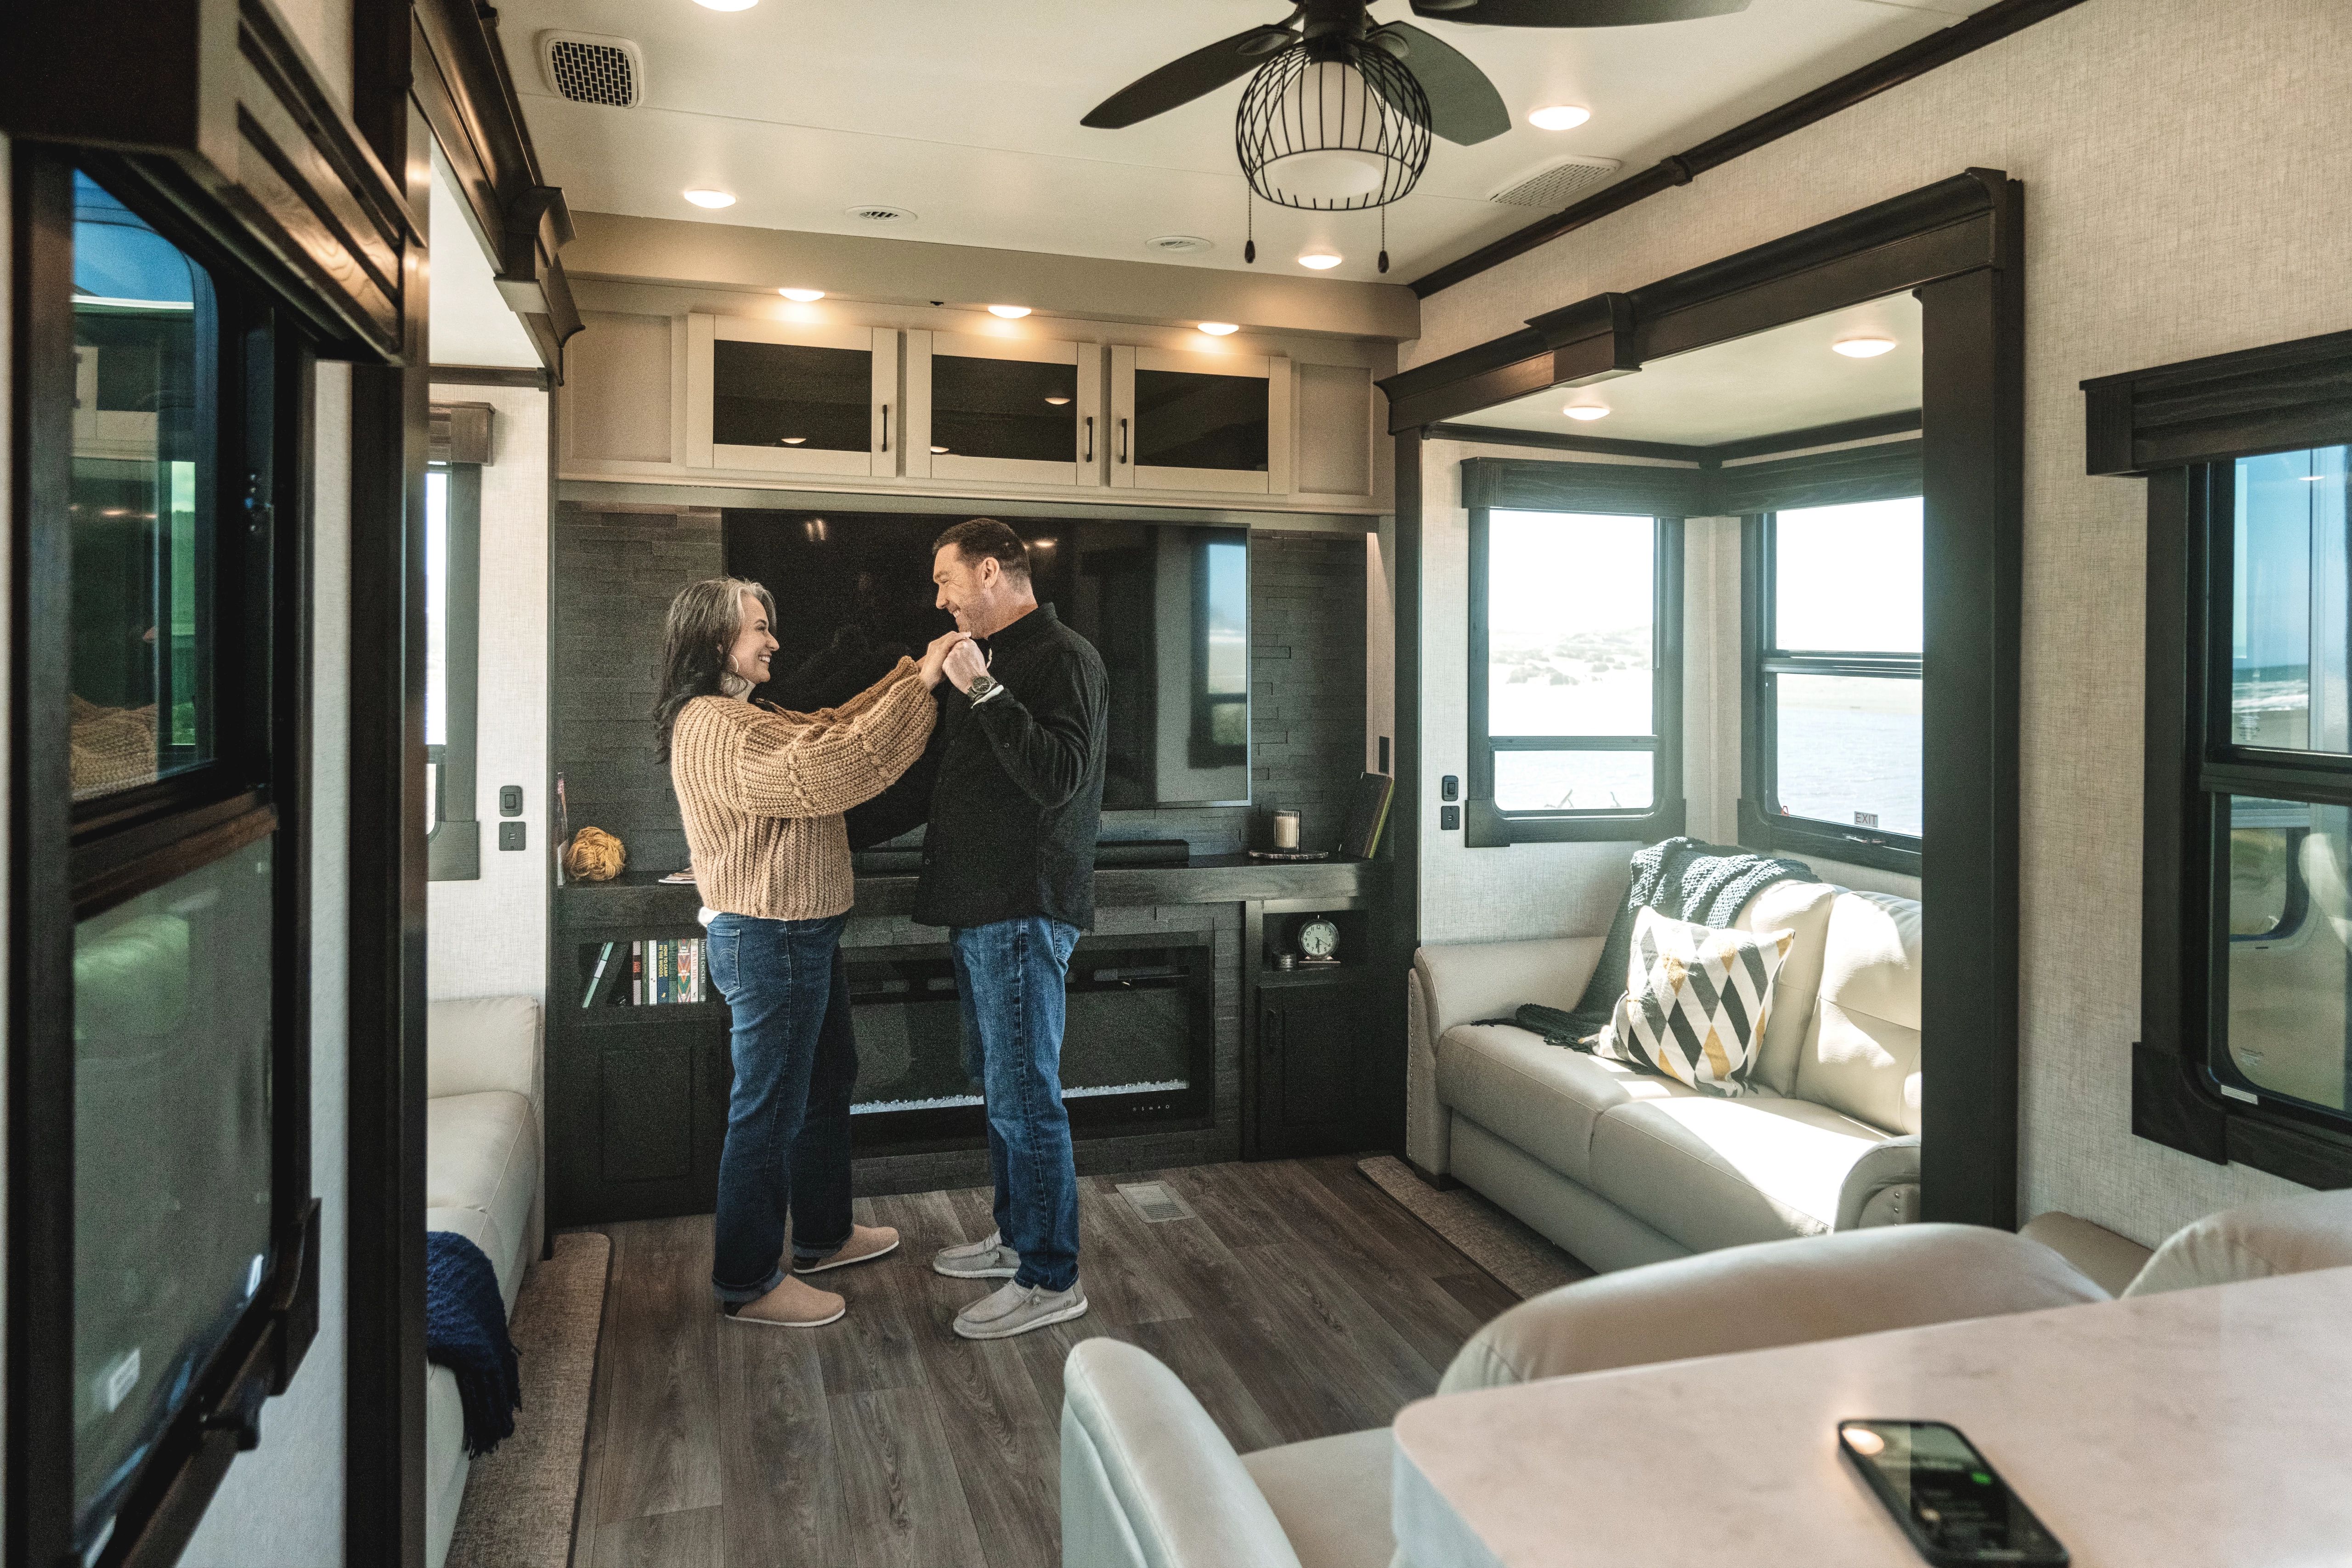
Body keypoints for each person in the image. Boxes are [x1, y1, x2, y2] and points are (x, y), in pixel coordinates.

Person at [656, 576, 965, 1327]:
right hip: (773, 934)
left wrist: (910, 673)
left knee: (826, 1081)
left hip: (798, 928)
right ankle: (747, 1280)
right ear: (716, 639)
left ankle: (824, 1235)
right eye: (759, 627)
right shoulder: (717, 725)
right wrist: (924, 685)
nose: (774, 640)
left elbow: (830, 725)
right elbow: (833, 766)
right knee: (768, 1110)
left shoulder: (744, 713)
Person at [918, 519, 1109, 1340]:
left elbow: (1059, 777)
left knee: (1027, 1094)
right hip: (982, 908)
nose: (940, 599)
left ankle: (1051, 1276)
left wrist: (984, 690)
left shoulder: (1065, 657)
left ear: (990, 571)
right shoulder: (985, 659)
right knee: (1003, 1088)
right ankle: (1016, 1240)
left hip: (1025, 908)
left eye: (946, 580)